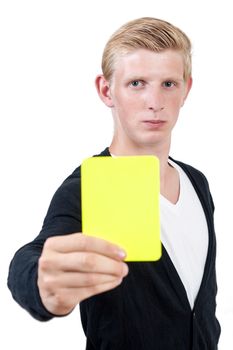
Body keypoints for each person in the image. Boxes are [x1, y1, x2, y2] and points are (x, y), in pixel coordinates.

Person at [8, 17, 221, 349]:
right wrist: (42, 284)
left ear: (186, 89)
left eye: (168, 83)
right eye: (137, 83)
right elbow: (35, 257)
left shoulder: (196, 181)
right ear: (107, 91)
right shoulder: (86, 187)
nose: (155, 101)